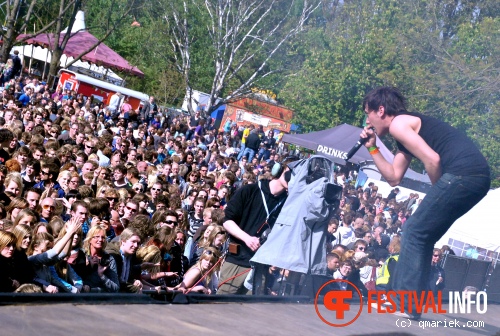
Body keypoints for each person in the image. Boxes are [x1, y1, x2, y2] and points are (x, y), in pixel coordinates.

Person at [360, 86, 490, 319]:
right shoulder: (405, 132)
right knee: (422, 234)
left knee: (413, 230)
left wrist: (437, 191)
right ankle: (411, 306)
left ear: (380, 110)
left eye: (367, 114)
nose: (367, 121)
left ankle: (402, 302)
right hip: (476, 178)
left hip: (464, 175)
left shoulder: (399, 124)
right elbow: (393, 177)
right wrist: (372, 147)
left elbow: (432, 158)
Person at [217, 157, 294, 295]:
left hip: (260, 267)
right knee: (221, 307)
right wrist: (247, 238)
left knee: (251, 312)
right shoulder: (250, 190)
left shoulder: (288, 204)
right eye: (291, 172)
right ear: (279, 170)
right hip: (237, 262)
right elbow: (227, 220)